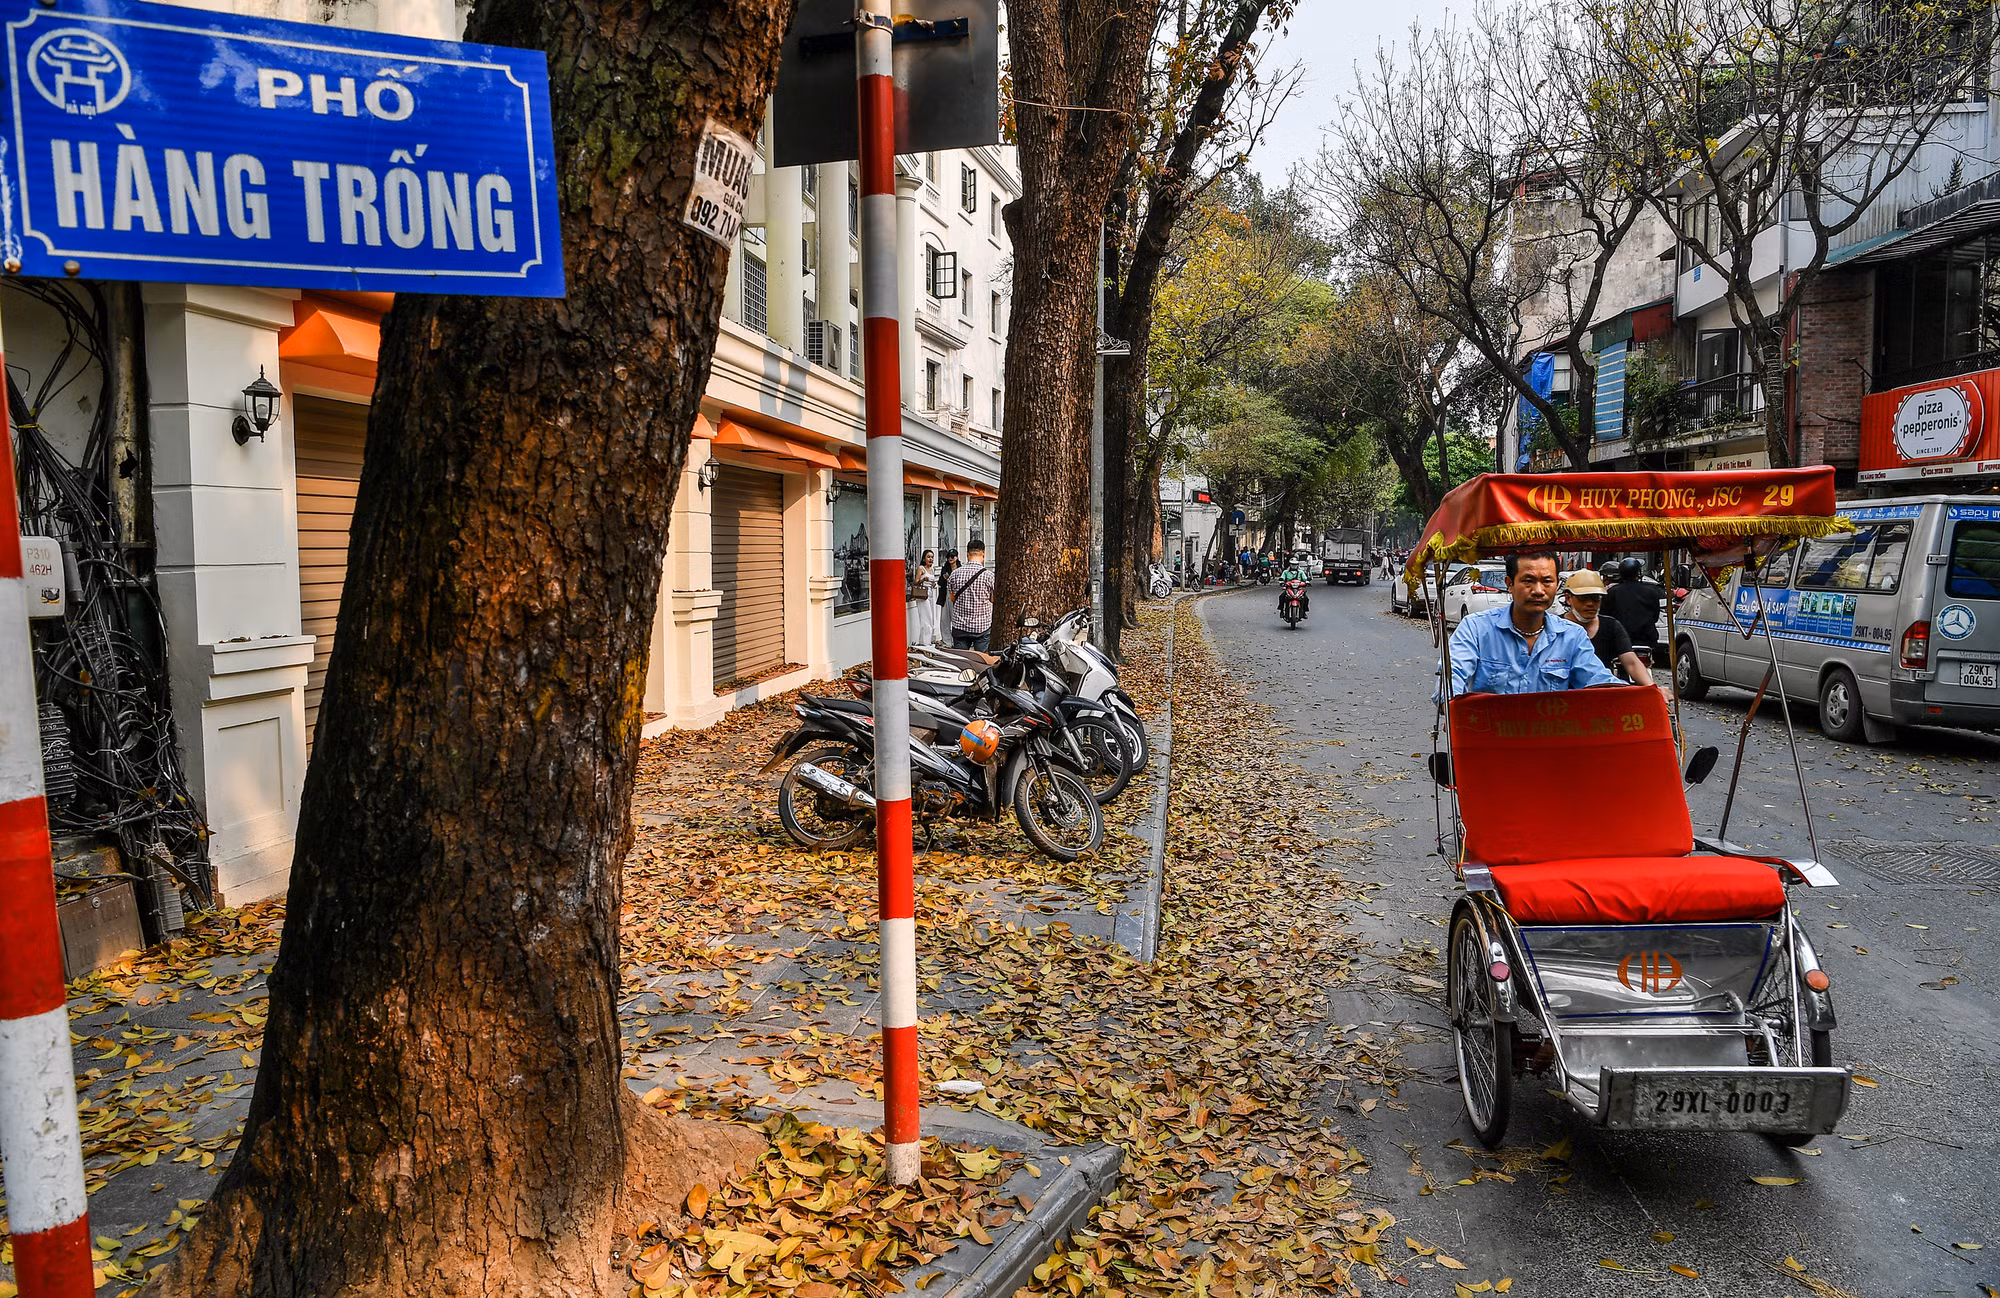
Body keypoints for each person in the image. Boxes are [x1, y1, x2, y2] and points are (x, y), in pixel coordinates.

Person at [1445, 551, 1617, 697]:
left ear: (1557, 584)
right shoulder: (1475, 629)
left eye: (1547, 582)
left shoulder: (1573, 636)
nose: (1538, 591)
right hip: (1490, 733)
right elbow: (1452, 677)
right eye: (1528, 581)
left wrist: (1636, 698)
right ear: (1509, 584)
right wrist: (1451, 706)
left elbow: (1598, 681)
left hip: (1551, 733)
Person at [1560, 570, 1652, 684]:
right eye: (1583, 598)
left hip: (1601, 692)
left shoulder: (1611, 626)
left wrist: (1652, 688)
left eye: (1595, 598)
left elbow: (1631, 662)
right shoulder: (1556, 627)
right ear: (1568, 598)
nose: (1590, 603)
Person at [1603, 556, 1665, 656]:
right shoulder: (1651, 592)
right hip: (1646, 639)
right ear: (1638, 573)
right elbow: (1655, 617)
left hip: (1619, 640)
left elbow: (1605, 616)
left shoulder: (1612, 592)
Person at [947, 539, 996, 651]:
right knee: (982, 662)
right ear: (983, 554)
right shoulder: (989, 576)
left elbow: (952, 598)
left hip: (959, 626)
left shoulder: (955, 574)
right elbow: (993, 599)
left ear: (967, 554)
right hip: (982, 627)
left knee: (961, 661)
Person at [910, 549, 940, 646]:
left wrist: (933, 584)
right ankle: (925, 643)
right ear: (924, 558)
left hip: (931, 594)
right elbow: (916, 581)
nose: (930, 559)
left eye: (932, 557)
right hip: (923, 595)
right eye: (928, 557)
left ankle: (927, 640)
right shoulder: (921, 568)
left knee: (931, 618)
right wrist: (923, 579)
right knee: (925, 618)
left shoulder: (932, 569)